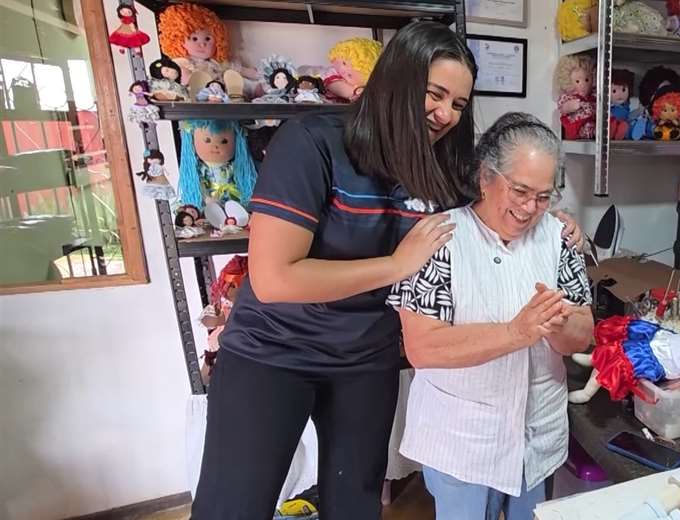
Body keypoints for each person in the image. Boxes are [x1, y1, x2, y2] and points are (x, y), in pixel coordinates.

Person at [191, 23, 583, 518]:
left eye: (459, 104)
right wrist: (395, 265)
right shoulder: (313, 143)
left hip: (365, 358)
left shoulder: (446, 167)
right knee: (235, 504)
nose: (445, 114)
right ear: (396, 80)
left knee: (355, 503)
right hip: (274, 350)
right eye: (435, 94)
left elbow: (503, 198)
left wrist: (554, 220)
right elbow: (273, 279)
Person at [389, 112, 595, 520]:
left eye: (543, 196)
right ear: (486, 176)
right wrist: (517, 332)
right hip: (461, 440)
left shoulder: (558, 237)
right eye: (520, 191)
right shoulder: (440, 238)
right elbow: (422, 347)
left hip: (537, 432)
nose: (530, 208)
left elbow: (582, 335)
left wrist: (558, 325)